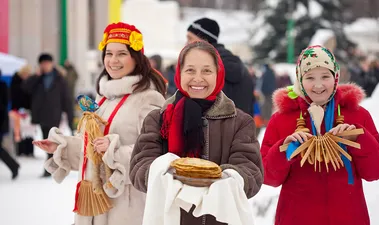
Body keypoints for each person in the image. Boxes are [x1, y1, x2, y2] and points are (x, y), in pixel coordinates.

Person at [33, 22, 167, 225]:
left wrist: (114, 152)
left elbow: (154, 154)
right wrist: (64, 146)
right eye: (108, 53)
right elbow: (94, 148)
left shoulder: (148, 99)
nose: (113, 60)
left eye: (121, 53)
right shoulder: (104, 98)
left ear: (136, 58)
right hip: (93, 207)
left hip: (126, 208)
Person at [130, 41, 263, 225]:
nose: (198, 78)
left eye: (207, 71)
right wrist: (170, 174)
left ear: (218, 74)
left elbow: (251, 173)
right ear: (179, 73)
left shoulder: (239, 122)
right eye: (190, 70)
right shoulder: (158, 119)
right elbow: (139, 168)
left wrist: (214, 178)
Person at [261, 45, 379, 225]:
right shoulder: (281, 120)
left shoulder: (358, 115)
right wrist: (284, 149)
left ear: (336, 77)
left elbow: (376, 171)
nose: (319, 85)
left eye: (325, 76)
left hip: (349, 217)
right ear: (299, 79)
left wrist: (359, 138)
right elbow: (267, 177)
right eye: (310, 77)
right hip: (296, 218)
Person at [186, 17, 254, 116]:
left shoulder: (207, 69)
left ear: (204, 40)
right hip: (239, 129)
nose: (186, 43)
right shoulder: (242, 69)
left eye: (190, 38)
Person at [22, 53, 74, 177]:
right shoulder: (37, 78)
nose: (45, 66)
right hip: (41, 115)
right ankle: (52, 166)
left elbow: (66, 98)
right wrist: (36, 76)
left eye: (47, 63)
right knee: (47, 140)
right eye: (43, 64)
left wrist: (70, 116)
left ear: (52, 63)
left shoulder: (59, 78)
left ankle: (52, 167)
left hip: (54, 114)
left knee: (51, 140)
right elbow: (25, 88)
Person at [10, 65, 34, 156]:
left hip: (28, 110)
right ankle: (20, 150)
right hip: (17, 110)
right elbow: (14, 96)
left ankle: (29, 150)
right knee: (18, 130)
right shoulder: (16, 82)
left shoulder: (29, 82)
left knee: (29, 131)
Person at [0, 69, 20, 179]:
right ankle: (14, 165)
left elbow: (4, 104)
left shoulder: (3, 85)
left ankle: (13, 166)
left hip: (1, 121)